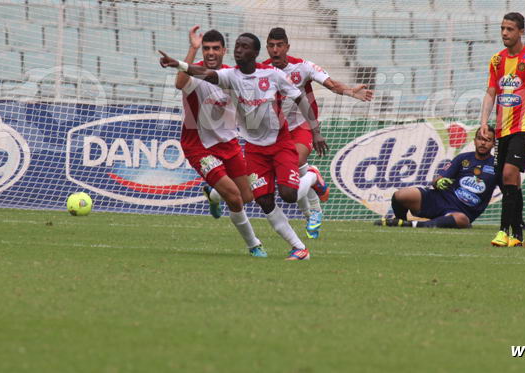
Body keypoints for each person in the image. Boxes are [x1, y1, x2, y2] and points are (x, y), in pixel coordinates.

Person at [160, 33, 327, 261]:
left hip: (271, 144)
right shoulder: (227, 75)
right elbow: (198, 75)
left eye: (243, 47)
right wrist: (178, 63)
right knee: (258, 200)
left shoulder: (269, 75)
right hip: (237, 149)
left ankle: (312, 176)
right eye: (237, 46)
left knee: (282, 195)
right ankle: (288, 247)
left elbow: (299, 97)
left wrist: (315, 131)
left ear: (252, 53)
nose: (239, 50)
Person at [264, 27, 373, 239]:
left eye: (279, 46)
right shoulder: (262, 69)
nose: (275, 50)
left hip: (303, 126)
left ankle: (313, 178)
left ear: (287, 47)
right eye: (271, 46)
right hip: (277, 131)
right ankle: (313, 212)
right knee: (289, 178)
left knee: (291, 165)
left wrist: (350, 91)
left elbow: (331, 84)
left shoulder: (303, 67)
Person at [174, 26, 266, 257]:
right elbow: (179, 83)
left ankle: (214, 194)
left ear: (224, 50)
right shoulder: (196, 74)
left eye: (215, 48)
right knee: (235, 198)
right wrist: (192, 49)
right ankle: (254, 244)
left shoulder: (231, 75)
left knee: (248, 197)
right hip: (199, 146)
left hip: (229, 143)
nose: (210, 52)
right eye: (206, 48)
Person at [479, 12, 525, 247]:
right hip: (502, 128)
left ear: (521, 31)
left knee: (510, 173)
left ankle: (502, 231)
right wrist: (483, 122)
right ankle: (517, 235)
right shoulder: (497, 60)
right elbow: (491, 93)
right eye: (502, 28)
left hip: (524, 126)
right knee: (507, 179)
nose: (505, 33)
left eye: (510, 29)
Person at [375, 126, 499, 229]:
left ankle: (413, 225)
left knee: (461, 220)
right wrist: (439, 182)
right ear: (474, 140)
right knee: (401, 195)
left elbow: (508, 189)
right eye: (480, 139)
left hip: (462, 212)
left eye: (487, 140)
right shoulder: (463, 158)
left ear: (494, 143)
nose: (483, 142)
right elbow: (437, 180)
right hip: (439, 199)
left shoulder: (497, 165)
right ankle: (400, 221)